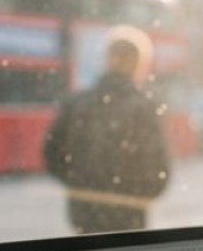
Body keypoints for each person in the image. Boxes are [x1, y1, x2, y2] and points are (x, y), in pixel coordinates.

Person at [44, 26, 171, 233]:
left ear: (107, 59)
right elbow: (159, 166)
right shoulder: (145, 108)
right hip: (130, 211)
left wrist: (78, 184)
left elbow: (52, 152)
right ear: (139, 64)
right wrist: (140, 195)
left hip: (83, 209)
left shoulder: (78, 102)